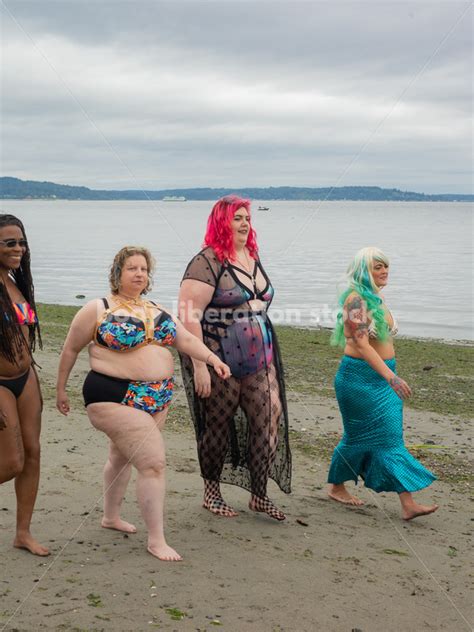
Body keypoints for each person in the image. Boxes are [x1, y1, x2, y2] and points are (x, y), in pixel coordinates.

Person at [56, 246, 230, 561]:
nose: (139, 274)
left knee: (121, 457)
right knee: (152, 464)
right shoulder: (98, 309)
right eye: (132, 268)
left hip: (156, 398)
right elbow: (70, 349)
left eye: (144, 269)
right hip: (111, 394)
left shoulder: (155, 308)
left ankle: (110, 517)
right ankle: (156, 540)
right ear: (117, 273)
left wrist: (212, 358)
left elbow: (185, 340)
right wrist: (61, 391)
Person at [178, 195, 291, 521]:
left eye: (246, 218)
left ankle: (259, 494)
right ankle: (211, 493)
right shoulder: (206, 262)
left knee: (269, 420)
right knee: (217, 425)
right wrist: (200, 364)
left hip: (259, 359)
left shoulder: (251, 255)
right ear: (221, 222)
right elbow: (188, 316)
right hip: (218, 358)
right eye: (237, 217)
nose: (244, 223)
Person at [327, 247, 438, 520]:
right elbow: (362, 345)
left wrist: (390, 373)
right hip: (359, 380)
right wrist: (391, 377)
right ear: (364, 271)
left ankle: (338, 487)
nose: (384, 271)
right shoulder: (355, 301)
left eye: (385, 266)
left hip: (383, 376)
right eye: (377, 267)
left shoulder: (376, 298)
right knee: (384, 437)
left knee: (370, 438)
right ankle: (406, 503)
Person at [0, 214, 49, 556]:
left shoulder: (16, 283)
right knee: (12, 461)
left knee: (33, 453)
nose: (18, 248)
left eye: (21, 242)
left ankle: (23, 533)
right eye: (9, 243)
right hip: (0, 382)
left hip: (25, 377)